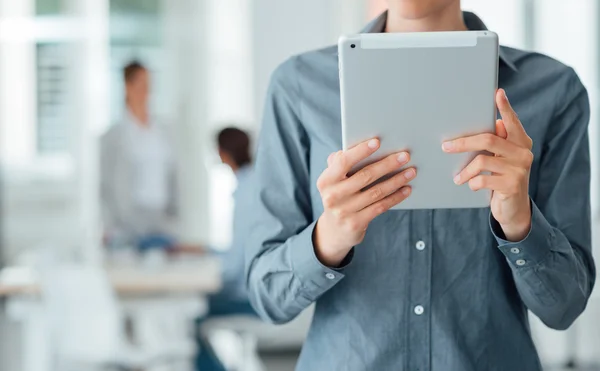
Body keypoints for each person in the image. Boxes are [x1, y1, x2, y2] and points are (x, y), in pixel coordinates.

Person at [246, 2, 596, 371]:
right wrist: (329, 237)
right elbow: (268, 297)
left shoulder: (554, 89)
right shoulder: (298, 85)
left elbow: (564, 306)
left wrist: (520, 222)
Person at [195, 127, 256, 371]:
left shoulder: (246, 194)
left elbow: (234, 267)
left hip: (249, 297)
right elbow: (240, 251)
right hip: (254, 288)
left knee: (190, 313)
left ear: (222, 152)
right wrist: (206, 251)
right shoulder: (253, 182)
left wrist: (204, 276)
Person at [100, 61, 179, 250]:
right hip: (129, 219)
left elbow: (172, 176)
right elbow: (106, 186)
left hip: (161, 217)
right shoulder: (115, 135)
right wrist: (108, 225)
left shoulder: (162, 131)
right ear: (127, 86)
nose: (146, 90)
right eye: (141, 83)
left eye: (149, 84)